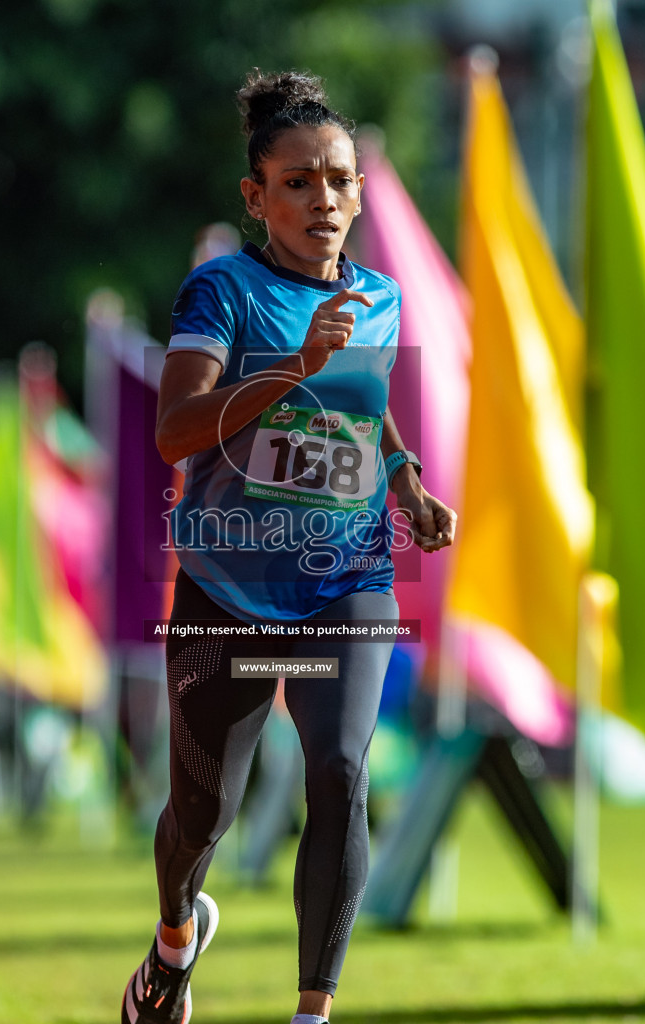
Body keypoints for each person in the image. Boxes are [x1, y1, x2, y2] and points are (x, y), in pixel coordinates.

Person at [121, 71, 455, 1024]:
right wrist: (290, 368)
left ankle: (312, 1013)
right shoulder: (222, 290)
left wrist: (406, 480)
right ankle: (175, 941)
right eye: (300, 181)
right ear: (255, 195)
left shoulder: (381, 299)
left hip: (344, 580)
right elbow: (176, 432)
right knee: (201, 815)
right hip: (228, 585)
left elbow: (363, 412)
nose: (325, 199)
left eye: (340, 180)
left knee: (341, 773)